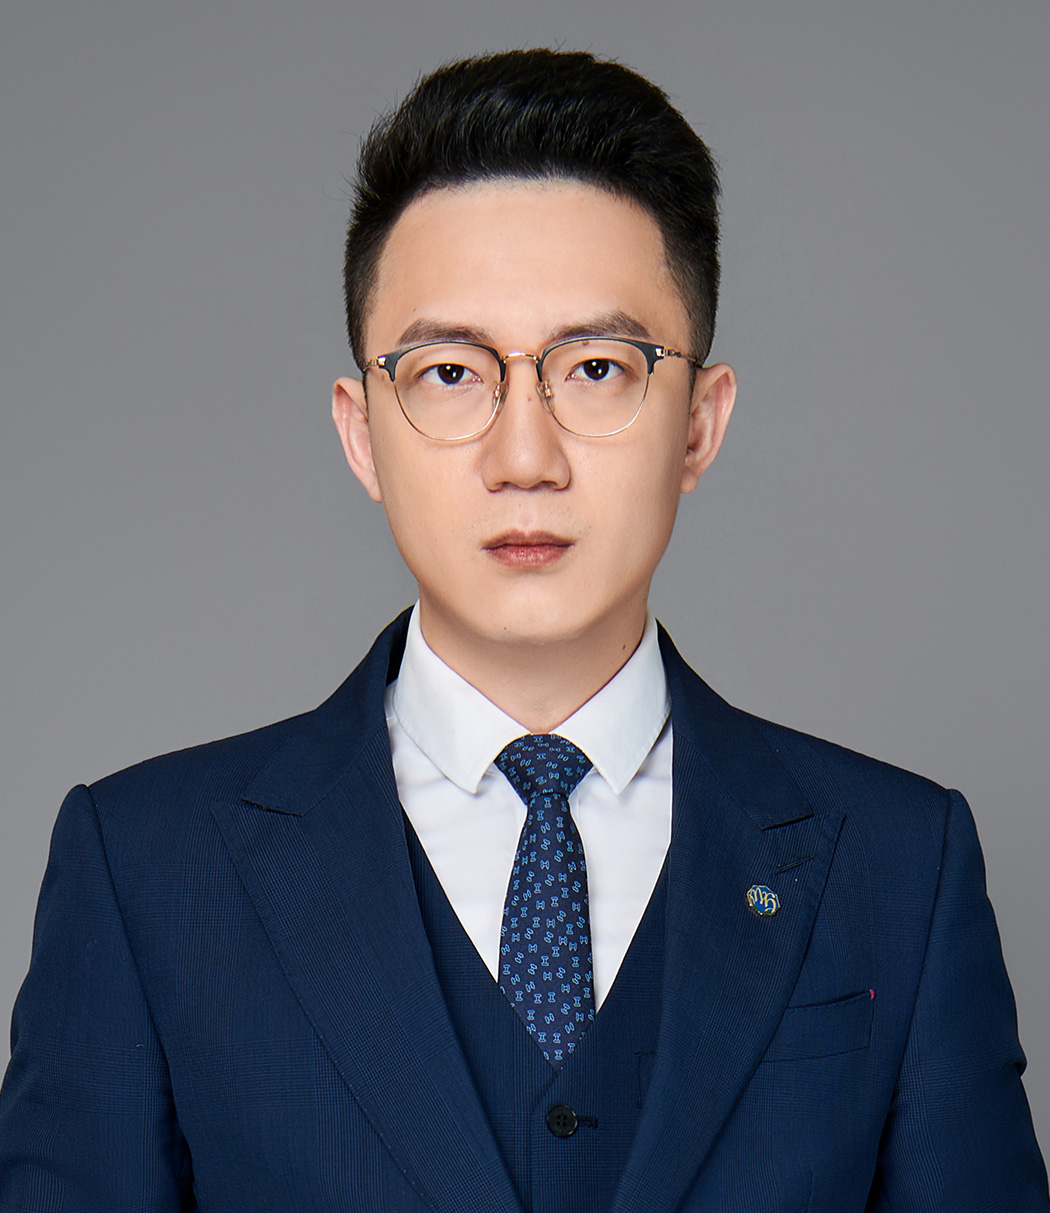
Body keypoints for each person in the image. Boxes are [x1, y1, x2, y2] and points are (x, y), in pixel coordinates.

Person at [0, 47, 1046, 1213]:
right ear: (362, 433)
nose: (526, 457)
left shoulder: (901, 867)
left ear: (699, 424)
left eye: (596, 367)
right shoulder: (146, 873)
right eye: (450, 373)